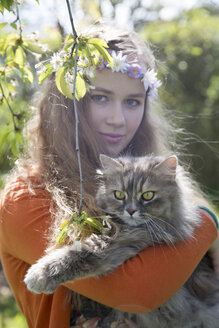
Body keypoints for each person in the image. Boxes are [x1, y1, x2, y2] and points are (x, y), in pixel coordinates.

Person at [0, 23, 218, 328]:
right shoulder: (26, 196)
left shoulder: (153, 179)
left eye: (132, 102)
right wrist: (208, 221)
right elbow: (138, 291)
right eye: (99, 97)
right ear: (67, 101)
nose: (117, 119)